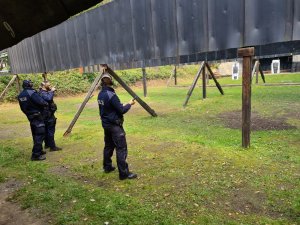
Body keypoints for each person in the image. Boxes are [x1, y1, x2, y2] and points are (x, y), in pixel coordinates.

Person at [98, 71, 137, 180]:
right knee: (121, 148)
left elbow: (110, 108)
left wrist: (121, 105)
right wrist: (129, 104)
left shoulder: (101, 94)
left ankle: (107, 167)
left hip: (106, 125)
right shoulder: (111, 95)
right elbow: (121, 110)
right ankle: (124, 174)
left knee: (108, 146)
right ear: (111, 81)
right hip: (115, 126)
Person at [18, 80, 48, 161]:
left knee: (35, 134)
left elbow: (22, 108)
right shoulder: (31, 93)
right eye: (31, 83)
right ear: (29, 85)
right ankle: (35, 155)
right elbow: (42, 102)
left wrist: (28, 114)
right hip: (38, 116)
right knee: (40, 134)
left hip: (31, 117)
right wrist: (46, 104)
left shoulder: (20, 95)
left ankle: (40, 150)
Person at [39, 81, 62, 152]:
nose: (50, 86)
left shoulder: (43, 92)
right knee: (50, 131)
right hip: (47, 115)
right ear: (43, 86)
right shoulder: (42, 93)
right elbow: (48, 98)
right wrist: (52, 91)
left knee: (46, 130)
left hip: (47, 114)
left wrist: (51, 91)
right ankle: (52, 147)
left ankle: (47, 144)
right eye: (48, 85)